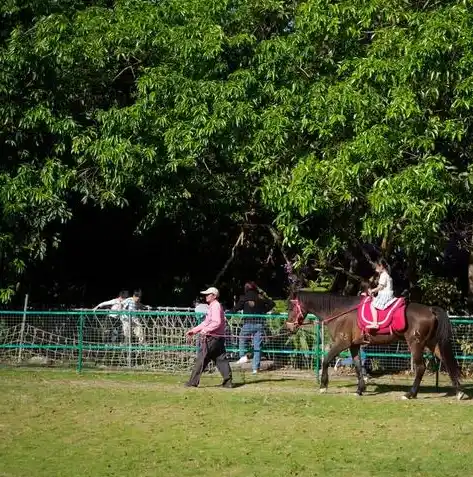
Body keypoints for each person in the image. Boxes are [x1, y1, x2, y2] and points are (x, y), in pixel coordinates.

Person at [185, 287, 233, 388]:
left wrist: (206, 330)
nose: (206, 296)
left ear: (214, 296)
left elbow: (216, 322)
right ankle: (228, 382)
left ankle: (193, 382)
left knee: (202, 358)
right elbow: (206, 322)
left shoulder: (215, 306)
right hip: (217, 338)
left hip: (212, 338)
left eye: (208, 294)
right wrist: (194, 331)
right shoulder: (213, 306)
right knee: (221, 359)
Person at [231, 281, 275, 374]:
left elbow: (236, 308)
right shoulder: (260, 296)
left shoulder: (244, 297)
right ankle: (255, 368)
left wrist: (228, 313)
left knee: (242, 338)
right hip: (259, 324)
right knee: (257, 346)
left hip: (248, 323)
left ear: (246, 288)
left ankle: (243, 356)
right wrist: (263, 311)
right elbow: (272, 303)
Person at [367, 259, 394, 329]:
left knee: (372, 305)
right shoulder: (387, 275)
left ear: (381, 266)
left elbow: (380, 287)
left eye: (376, 267)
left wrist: (372, 291)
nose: (375, 269)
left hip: (385, 296)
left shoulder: (383, 275)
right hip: (387, 294)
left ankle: (375, 323)